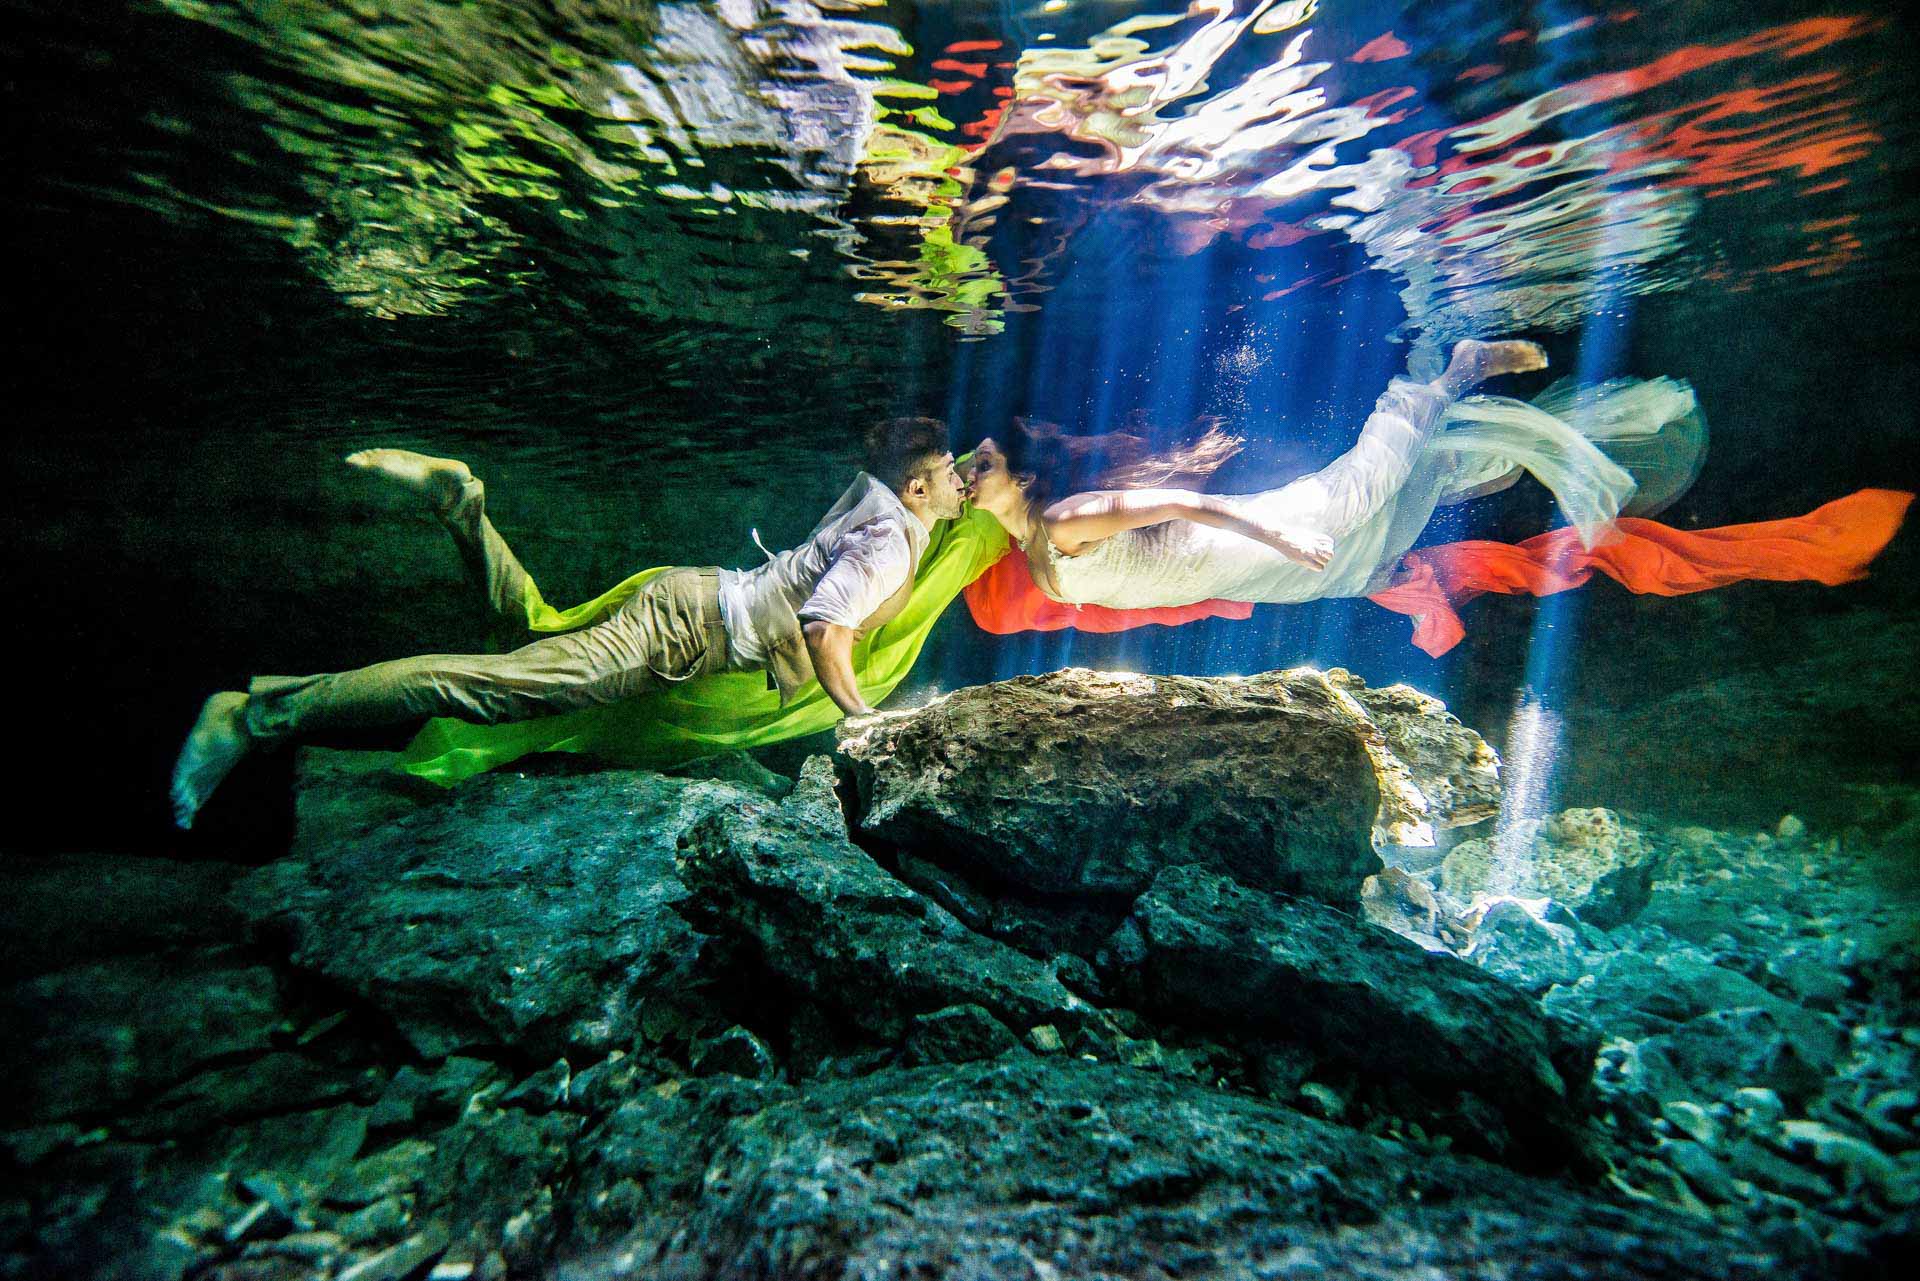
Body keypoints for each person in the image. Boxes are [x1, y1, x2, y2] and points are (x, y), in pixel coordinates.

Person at [169, 418, 968, 828]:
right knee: (479, 685)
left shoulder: (883, 509)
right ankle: (254, 714)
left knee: (523, 638)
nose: (964, 483)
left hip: (685, 601)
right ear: (919, 488)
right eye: (950, 474)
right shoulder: (896, 542)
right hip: (677, 636)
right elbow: (830, 628)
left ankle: (462, 505)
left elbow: (834, 611)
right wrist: (865, 720)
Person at [963, 339, 1589, 610]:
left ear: (1021, 481)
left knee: (1360, 492)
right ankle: (1449, 415)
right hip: (1234, 570)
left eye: (982, 464)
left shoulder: (1064, 519)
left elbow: (1180, 502)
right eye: (974, 462)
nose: (968, 470)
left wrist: (1279, 537)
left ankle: (1457, 373)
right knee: (1339, 565)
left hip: (1240, 539)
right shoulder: (1030, 538)